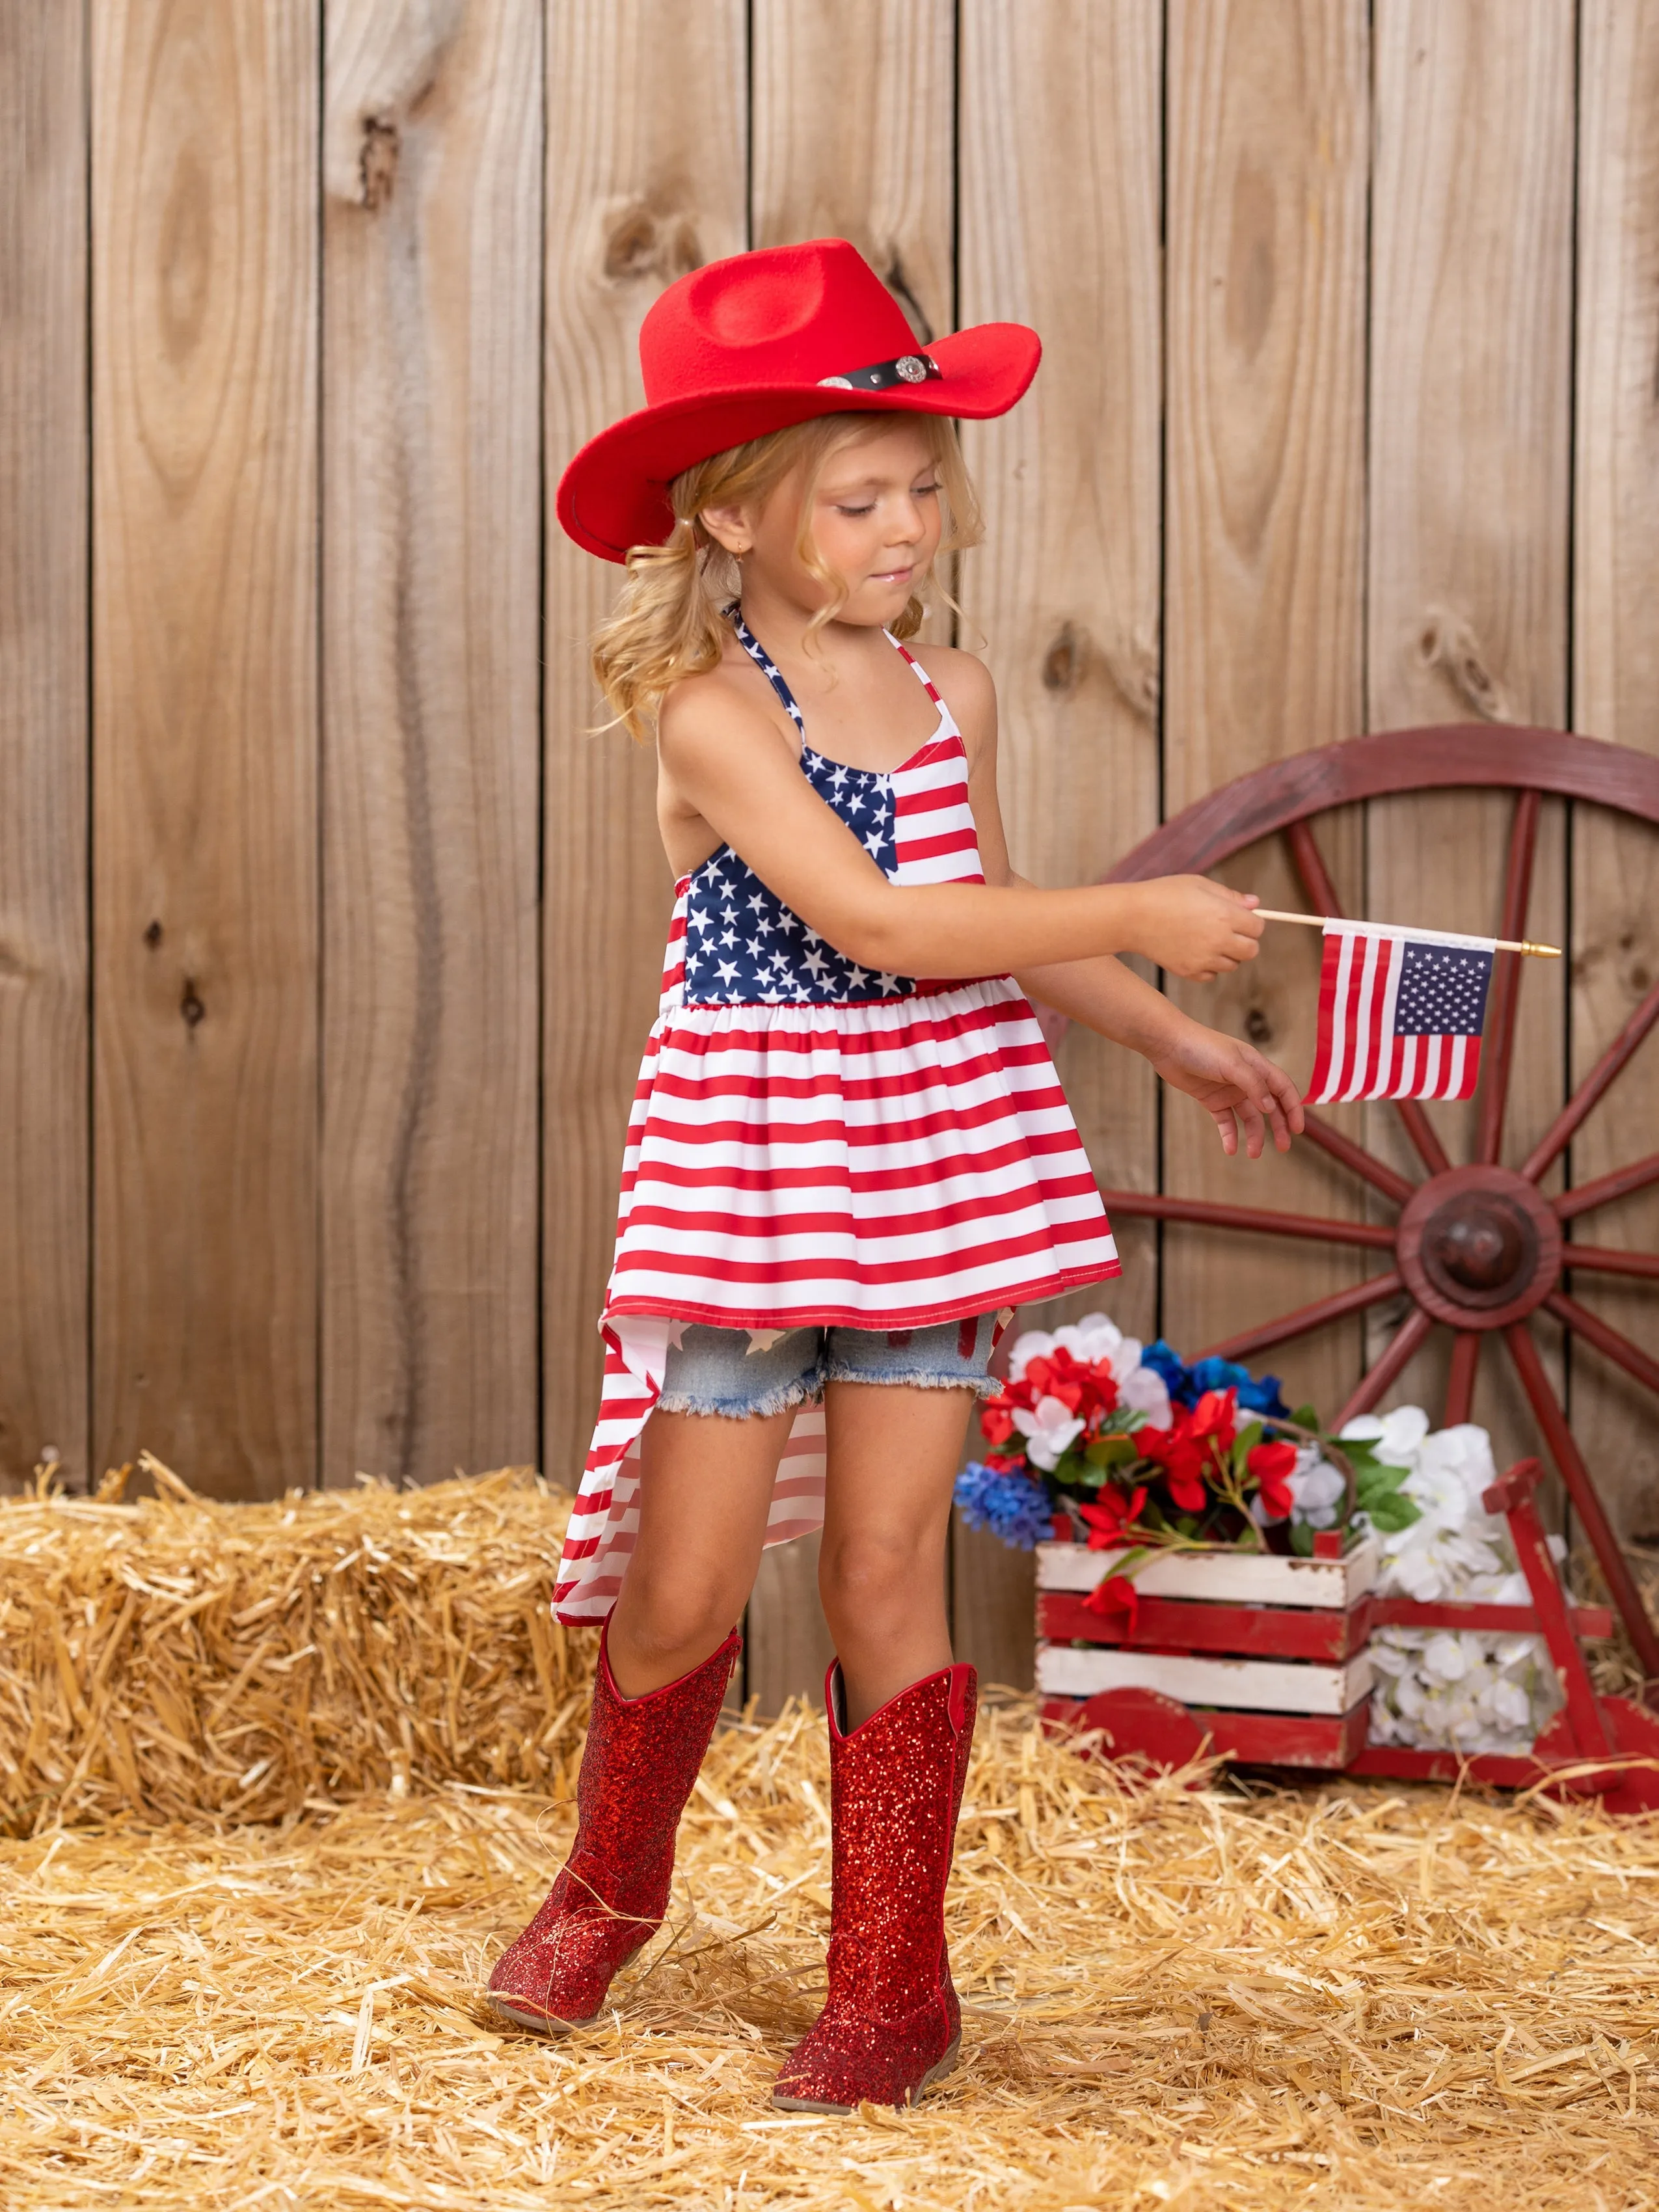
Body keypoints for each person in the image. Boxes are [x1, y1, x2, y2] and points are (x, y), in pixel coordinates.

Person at [487, 239, 1302, 2111]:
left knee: (882, 1570)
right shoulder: (710, 705)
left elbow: (986, 924)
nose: (909, 521)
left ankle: (890, 1989)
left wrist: (1171, 1027)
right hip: (761, 1181)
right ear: (736, 514)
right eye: (860, 494)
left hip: (930, 1165)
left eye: (922, 483)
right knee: (684, 1591)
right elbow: (869, 917)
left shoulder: (952, 689)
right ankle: (614, 1884)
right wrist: (1140, 905)